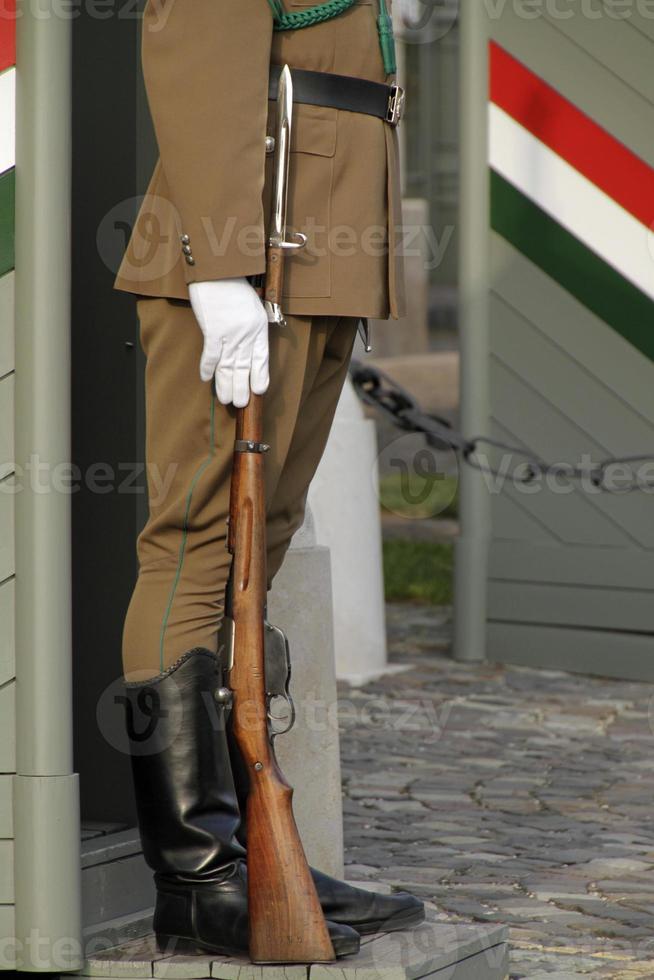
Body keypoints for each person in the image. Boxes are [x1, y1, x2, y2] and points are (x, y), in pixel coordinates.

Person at [115, 0, 422, 960]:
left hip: (319, 239)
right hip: (256, 238)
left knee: (266, 536)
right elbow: (195, 38)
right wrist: (217, 263)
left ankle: (248, 843)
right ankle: (195, 874)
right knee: (197, 544)